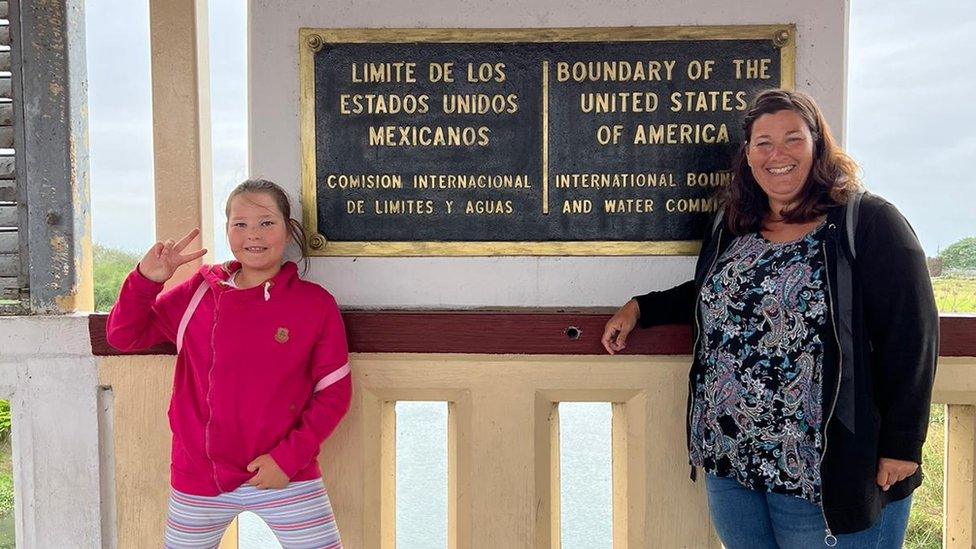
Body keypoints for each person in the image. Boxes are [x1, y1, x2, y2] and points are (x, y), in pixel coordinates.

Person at [601, 89, 938, 548]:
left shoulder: (869, 222)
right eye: (763, 142)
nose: (777, 154)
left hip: (823, 467)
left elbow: (913, 334)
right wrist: (643, 306)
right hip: (732, 459)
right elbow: (717, 297)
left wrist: (902, 445)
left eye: (792, 139)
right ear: (748, 154)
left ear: (818, 144)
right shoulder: (733, 225)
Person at [107, 179, 350, 548]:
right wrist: (146, 280)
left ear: (288, 232)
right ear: (228, 232)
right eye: (240, 224)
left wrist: (287, 460)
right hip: (199, 477)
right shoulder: (199, 293)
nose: (253, 234)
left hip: (286, 474)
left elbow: (334, 393)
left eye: (266, 223)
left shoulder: (315, 304)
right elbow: (123, 336)